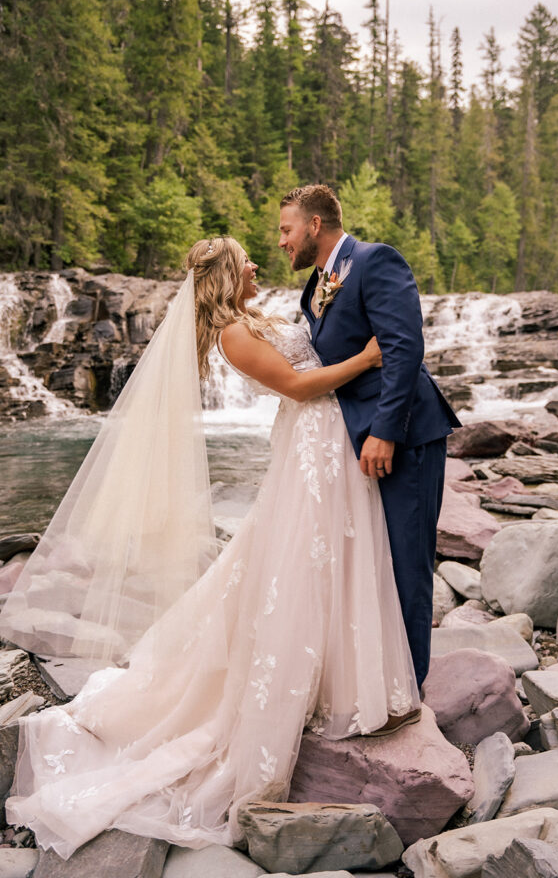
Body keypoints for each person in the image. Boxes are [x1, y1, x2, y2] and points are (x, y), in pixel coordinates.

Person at [3, 237, 419, 860]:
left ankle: (334, 681)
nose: (258, 263)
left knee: (315, 564)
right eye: (247, 259)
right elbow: (300, 387)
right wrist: (365, 360)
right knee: (293, 569)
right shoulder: (231, 334)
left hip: (321, 447)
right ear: (225, 274)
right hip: (310, 440)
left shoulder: (253, 317)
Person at [279, 185, 460, 693]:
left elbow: (404, 348)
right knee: (372, 562)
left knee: (406, 562)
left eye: (286, 229)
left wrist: (385, 432)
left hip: (405, 437)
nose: (281, 242)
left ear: (315, 225)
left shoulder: (376, 261)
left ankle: (409, 691)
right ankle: (377, 678)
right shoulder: (316, 283)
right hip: (352, 446)